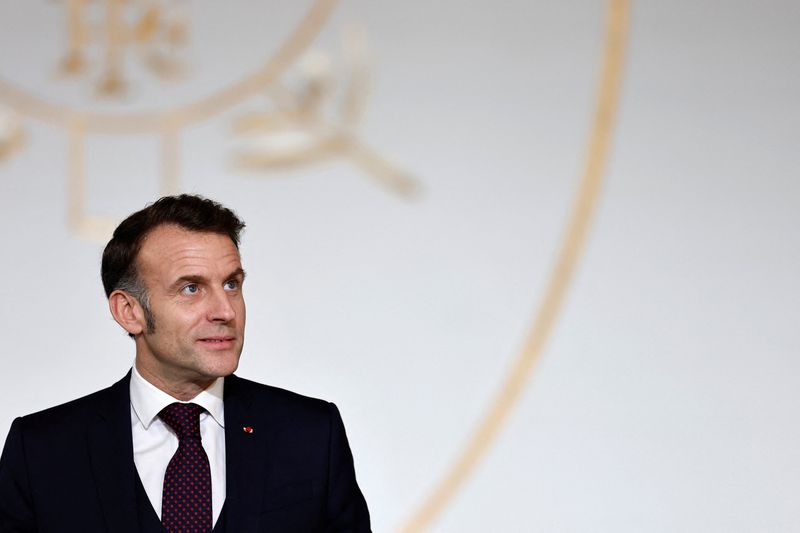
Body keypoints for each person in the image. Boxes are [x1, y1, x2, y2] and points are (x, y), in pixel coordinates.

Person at [0, 194, 371, 532]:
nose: (225, 311)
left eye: (231, 284)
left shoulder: (310, 435)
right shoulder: (42, 451)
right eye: (191, 288)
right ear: (129, 311)